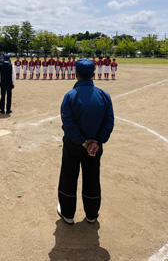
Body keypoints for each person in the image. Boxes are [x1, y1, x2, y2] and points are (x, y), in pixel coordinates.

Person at [57, 58, 114, 224]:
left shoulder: (70, 96)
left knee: (69, 176)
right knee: (92, 177)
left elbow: (68, 124)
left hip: (74, 145)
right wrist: (96, 142)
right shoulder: (104, 96)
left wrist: (83, 141)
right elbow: (109, 121)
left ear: (76, 74)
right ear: (93, 74)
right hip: (95, 146)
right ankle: (91, 214)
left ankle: (67, 214)